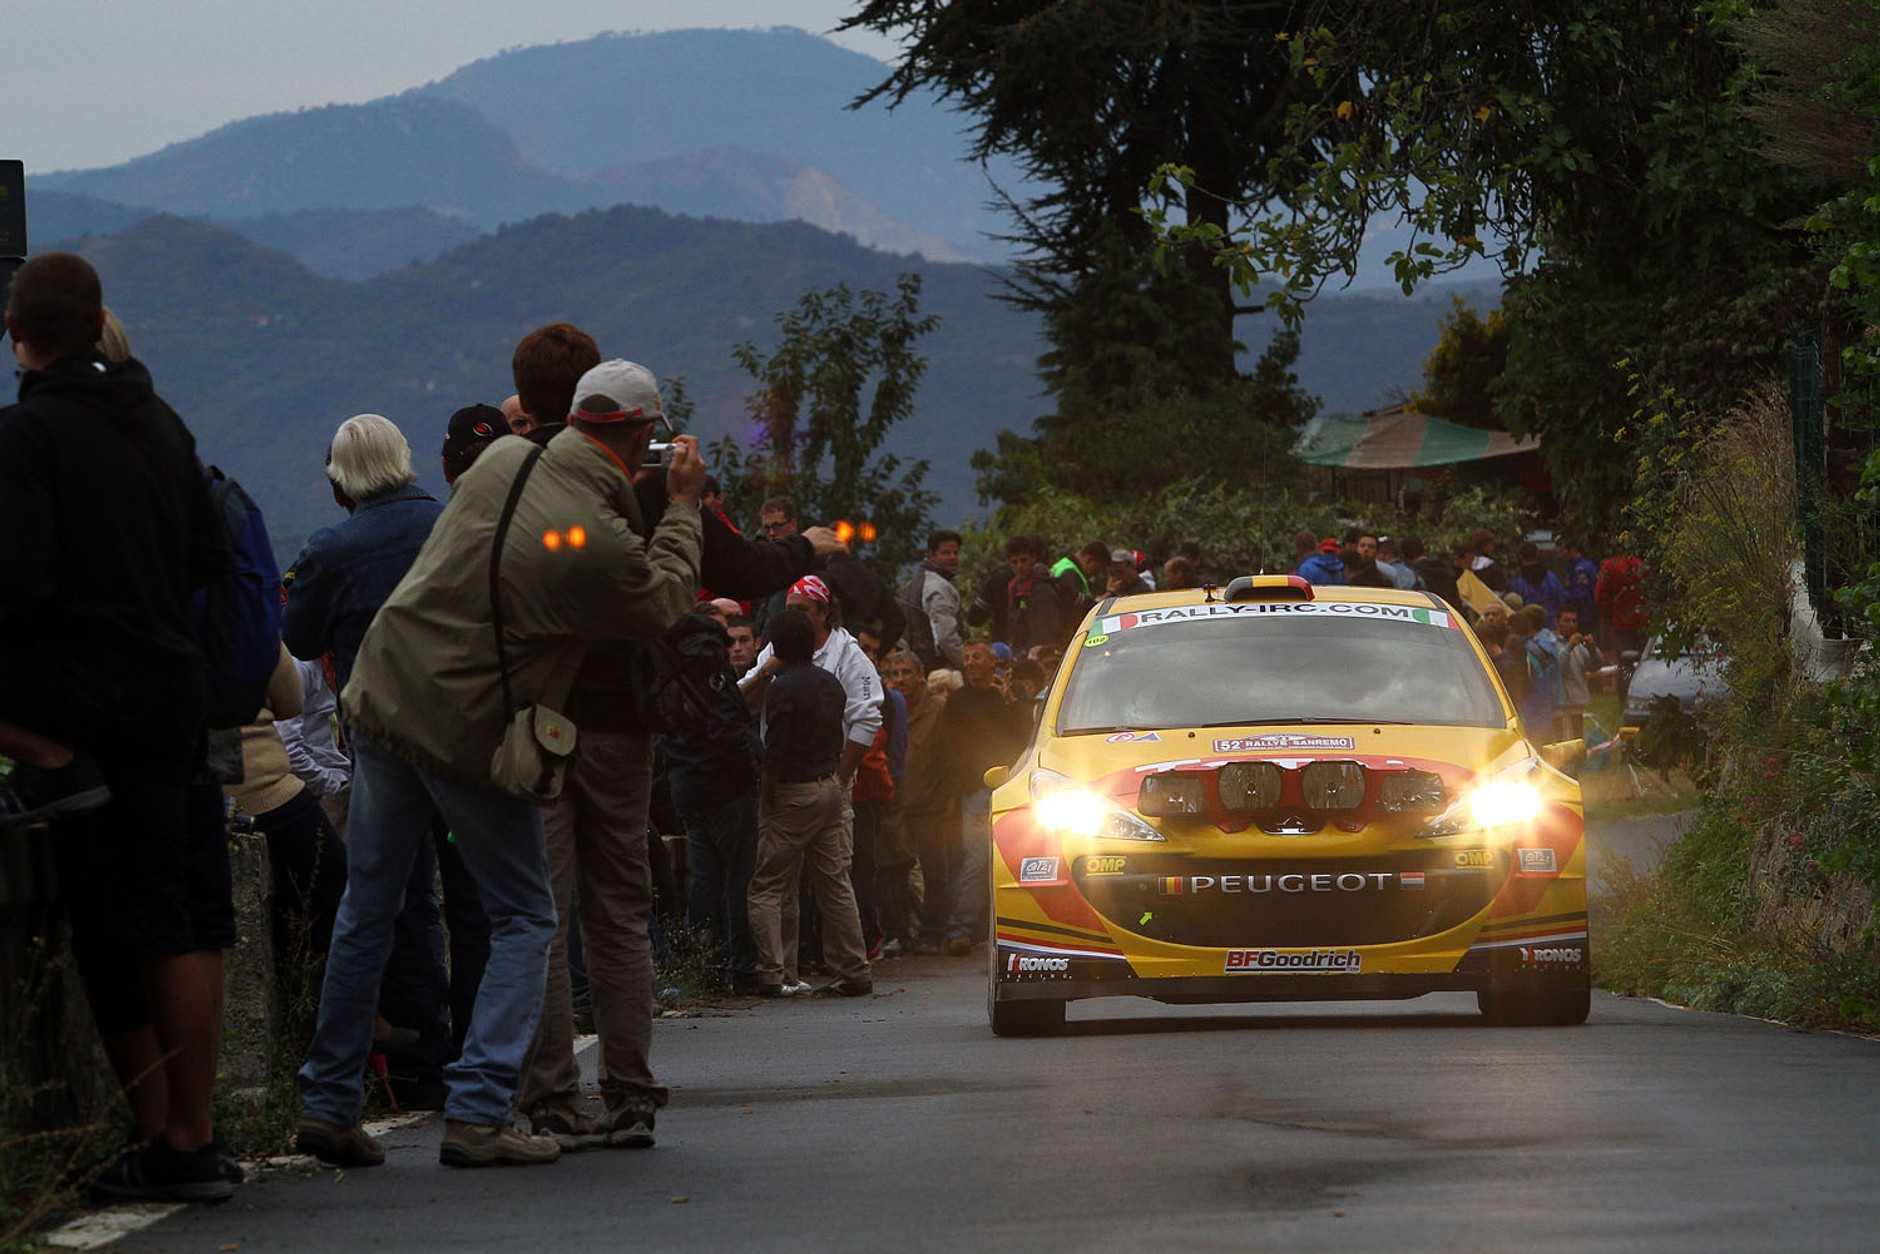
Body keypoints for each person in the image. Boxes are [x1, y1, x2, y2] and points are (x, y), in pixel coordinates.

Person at [295, 359, 707, 1171]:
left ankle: (328, 1101)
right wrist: (685, 507)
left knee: (367, 910)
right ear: (637, 436)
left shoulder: (499, 463)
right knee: (527, 915)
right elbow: (661, 600)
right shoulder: (596, 541)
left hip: (383, 695)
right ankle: (480, 1107)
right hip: (464, 727)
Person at [0, 253, 236, 1203]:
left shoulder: (28, 437)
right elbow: (205, 554)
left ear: (20, 335)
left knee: (144, 925)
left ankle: (179, 1138)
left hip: (95, 709)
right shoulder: (161, 423)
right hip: (174, 696)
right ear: (97, 324)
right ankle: (184, 1131)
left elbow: (17, 586)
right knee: (175, 918)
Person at [283, 413, 460, 1104]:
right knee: (492, 901)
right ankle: (496, 1062)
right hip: (468, 735)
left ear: (339, 484)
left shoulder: (333, 546)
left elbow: (298, 638)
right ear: (406, 461)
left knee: (388, 903)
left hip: (380, 742)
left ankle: (409, 1065)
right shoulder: (451, 525)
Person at [738, 575, 884, 990]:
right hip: (822, 785)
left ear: (823, 611)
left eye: (802, 609)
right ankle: (841, 970)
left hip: (805, 784)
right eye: (790, 609)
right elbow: (744, 698)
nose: (794, 616)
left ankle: (776, 972)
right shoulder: (781, 657)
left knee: (773, 880)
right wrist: (766, 670)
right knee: (827, 879)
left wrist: (839, 779)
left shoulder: (849, 658)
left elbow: (868, 717)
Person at [941, 639, 1030, 956]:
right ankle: (960, 929)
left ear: (994, 661)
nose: (971, 662)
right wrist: (957, 788)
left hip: (1011, 788)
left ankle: (1015, 931)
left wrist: (1011, 700)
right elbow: (948, 747)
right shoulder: (958, 701)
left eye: (977, 656)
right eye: (966, 657)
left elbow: (1028, 737)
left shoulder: (1009, 696)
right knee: (977, 860)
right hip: (975, 791)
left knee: (1013, 861)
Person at [902, 529, 965, 672]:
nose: (953, 557)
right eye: (946, 553)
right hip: (937, 667)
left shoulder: (916, 581)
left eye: (955, 553)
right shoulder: (938, 587)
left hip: (917, 663)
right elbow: (946, 638)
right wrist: (967, 666)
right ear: (931, 555)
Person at [1554, 607, 1597, 741]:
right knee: (1567, 747)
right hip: (1563, 706)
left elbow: (1595, 666)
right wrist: (1569, 647)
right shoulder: (1552, 643)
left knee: (1577, 743)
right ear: (1557, 622)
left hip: (1577, 703)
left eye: (1574, 621)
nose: (1571, 625)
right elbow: (1557, 669)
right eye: (1566, 621)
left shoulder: (1579, 646)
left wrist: (1592, 648)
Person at [1507, 541, 1567, 628]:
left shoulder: (1516, 582)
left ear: (1521, 557)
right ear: (1537, 554)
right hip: (1550, 626)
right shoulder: (1552, 579)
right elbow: (1561, 601)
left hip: (1526, 628)